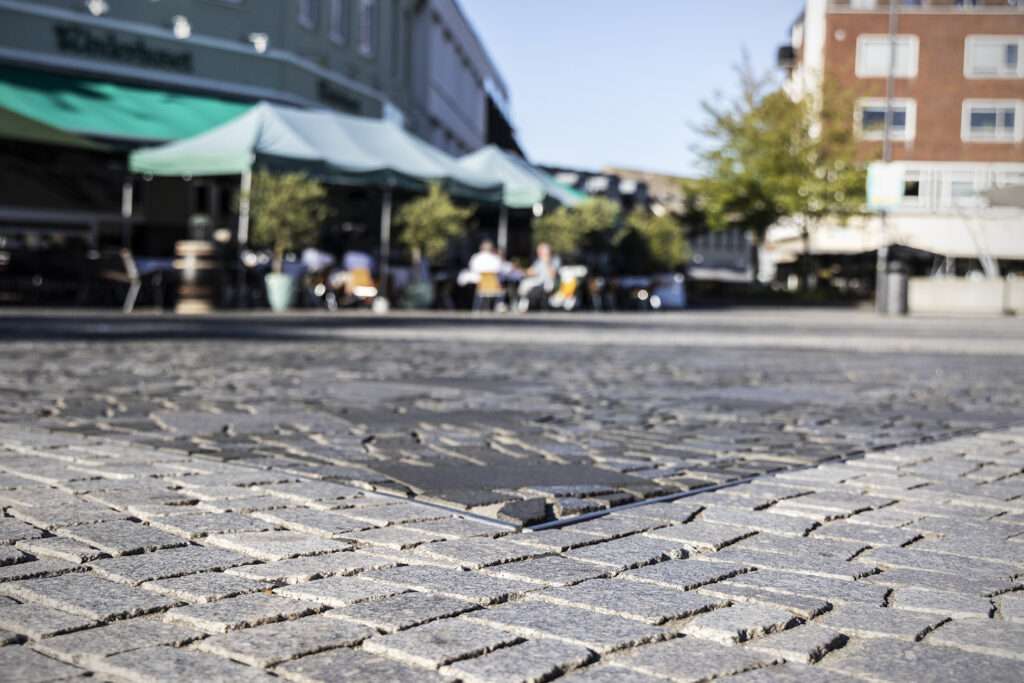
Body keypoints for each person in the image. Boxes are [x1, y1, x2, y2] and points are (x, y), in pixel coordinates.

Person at [517, 242, 562, 311]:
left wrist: (548, 263)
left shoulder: (555, 259)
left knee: (538, 287)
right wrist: (521, 270)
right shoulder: (539, 261)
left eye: (541, 252)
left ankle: (529, 304)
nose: (539, 253)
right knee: (524, 283)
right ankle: (523, 301)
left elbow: (553, 275)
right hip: (538, 281)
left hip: (549, 283)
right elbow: (532, 272)